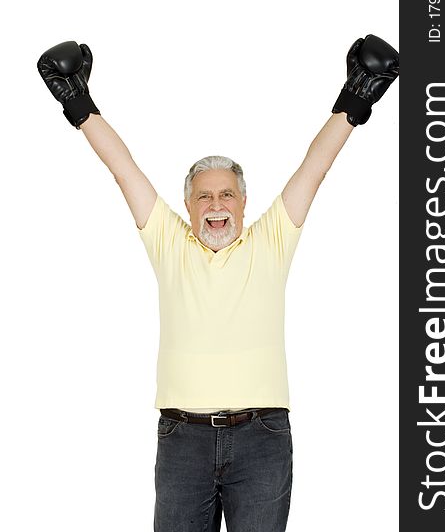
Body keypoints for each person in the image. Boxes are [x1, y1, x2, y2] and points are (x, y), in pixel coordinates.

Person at [37, 35, 399, 531]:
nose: (215, 205)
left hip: (262, 439)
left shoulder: (269, 242)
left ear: (243, 205)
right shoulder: (169, 242)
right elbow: (125, 171)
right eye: (204, 197)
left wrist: (357, 96)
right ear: (188, 207)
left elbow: (313, 170)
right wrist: (77, 102)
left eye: (226, 195)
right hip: (182, 440)